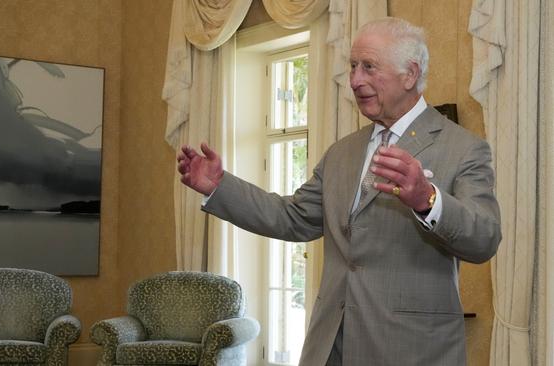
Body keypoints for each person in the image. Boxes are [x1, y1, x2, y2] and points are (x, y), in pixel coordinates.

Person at [176, 17, 501, 366]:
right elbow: (293, 218)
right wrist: (220, 186)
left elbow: (484, 239)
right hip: (331, 346)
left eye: (369, 67)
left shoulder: (465, 149)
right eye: (353, 66)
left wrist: (428, 200)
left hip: (413, 351)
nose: (355, 80)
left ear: (409, 74)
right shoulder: (343, 151)